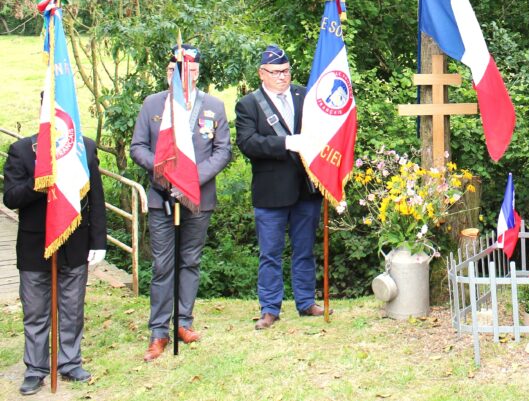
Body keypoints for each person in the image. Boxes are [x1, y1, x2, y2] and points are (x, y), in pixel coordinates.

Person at [130, 44, 231, 362]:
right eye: (175, 70)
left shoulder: (213, 106)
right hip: (162, 199)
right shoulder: (153, 104)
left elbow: (223, 151)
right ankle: (159, 332)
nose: (181, 75)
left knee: (189, 261)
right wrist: (164, 172)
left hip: (197, 198)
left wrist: (191, 179)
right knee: (163, 266)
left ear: (197, 72)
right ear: (168, 72)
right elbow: (138, 147)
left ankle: (183, 322)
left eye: (188, 70)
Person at [3, 132, 106, 395]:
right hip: (34, 247)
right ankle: (36, 368)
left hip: (74, 244)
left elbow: (95, 199)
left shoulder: (84, 148)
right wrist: (42, 181)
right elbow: (11, 198)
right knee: (36, 312)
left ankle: (70, 362)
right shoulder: (22, 150)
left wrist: (98, 242)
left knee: (72, 309)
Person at [235, 44, 326, 330]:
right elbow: (248, 143)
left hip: (305, 187)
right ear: (262, 73)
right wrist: (286, 142)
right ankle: (270, 307)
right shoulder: (249, 104)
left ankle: (306, 301)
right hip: (271, 190)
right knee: (270, 253)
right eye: (275, 72)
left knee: (304, 249)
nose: (282, 77)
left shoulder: (305, 95)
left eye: (285, 71)